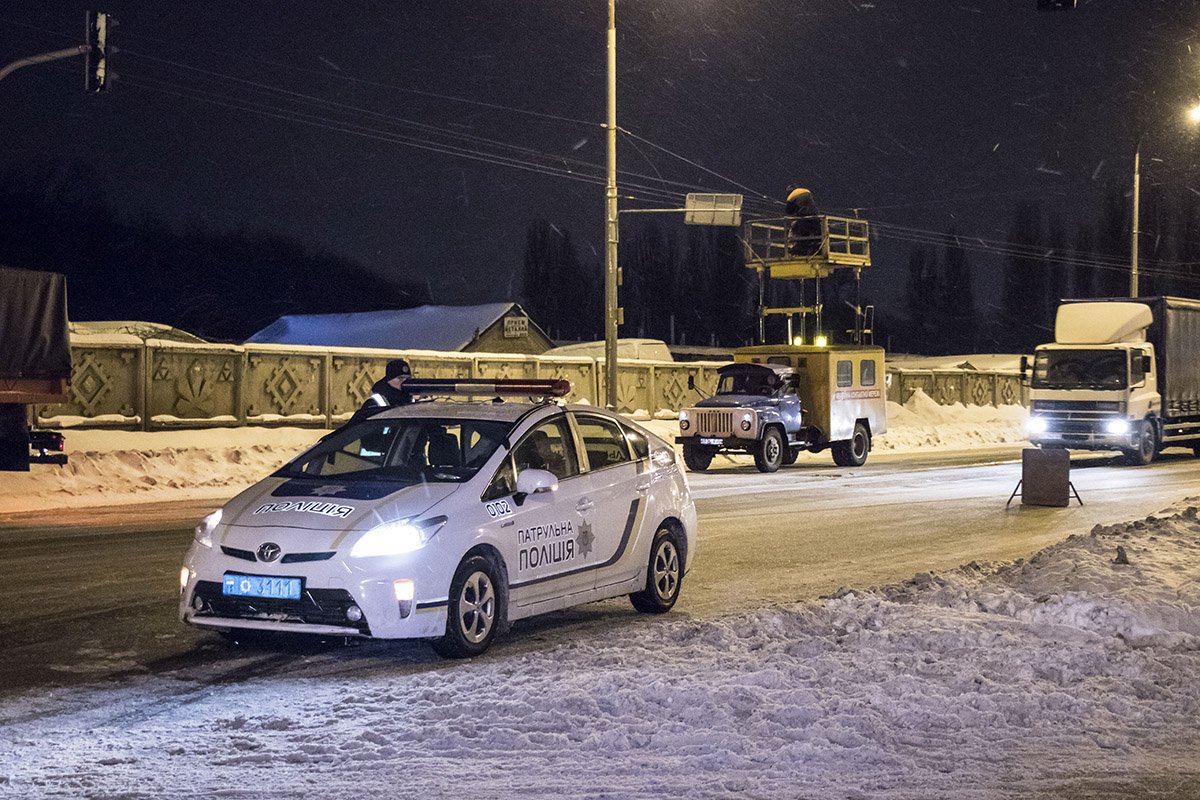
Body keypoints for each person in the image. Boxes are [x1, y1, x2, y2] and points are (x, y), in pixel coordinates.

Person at [349, 358, 414, 423]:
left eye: (408, 378)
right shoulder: (374, 403)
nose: (405, 382)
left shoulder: (410, 399)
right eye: (400, 378)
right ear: (389, 380)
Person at [785, 186, 822, 257]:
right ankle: (817, 246)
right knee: (817, 233)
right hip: (815, 215)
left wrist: (795, 211)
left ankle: (799, 250)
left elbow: (788, 210)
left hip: (804, 216)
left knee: (803, 235)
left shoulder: (791, 196)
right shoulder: (806, 191)